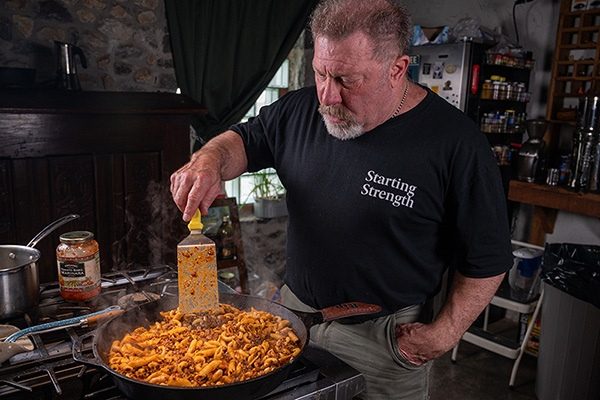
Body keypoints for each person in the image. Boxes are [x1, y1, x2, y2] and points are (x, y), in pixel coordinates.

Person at [170, 0, 513, 398]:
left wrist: (444, 333)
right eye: (320, 73)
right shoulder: (298, 110)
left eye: (347, 80)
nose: (328, 97)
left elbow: (488, 259)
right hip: (293, 320)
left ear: (397, 69)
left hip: (385, 341)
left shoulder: (457, 144)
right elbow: (242, 141)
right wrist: (209, 161)